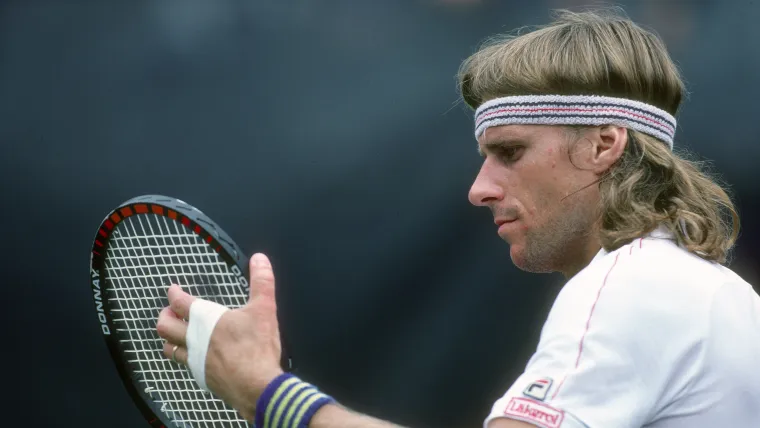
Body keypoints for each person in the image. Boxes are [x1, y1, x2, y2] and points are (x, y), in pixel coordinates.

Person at [155, 8, 760, 428]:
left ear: (605, 144)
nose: (480, 189)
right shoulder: (712, 290)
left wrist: (266, 394)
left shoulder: (629, 289)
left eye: (511, 152)